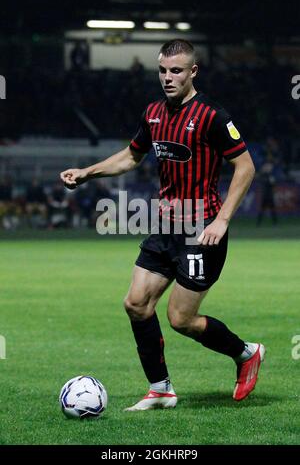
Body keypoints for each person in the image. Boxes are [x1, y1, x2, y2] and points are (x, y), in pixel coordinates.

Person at [60, 39, 265, 411]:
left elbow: (246, 166)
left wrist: (221, 219)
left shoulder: (212, 116)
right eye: (162, 70)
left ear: (193, 72)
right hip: (165, 226)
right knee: (136, 303)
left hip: (201, 230)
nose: (167, 78)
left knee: (180, 319)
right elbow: (131, 156)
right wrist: (87, 172)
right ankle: (161, 389)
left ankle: (247, 353)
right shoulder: (154, 112)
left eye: (176, 71)